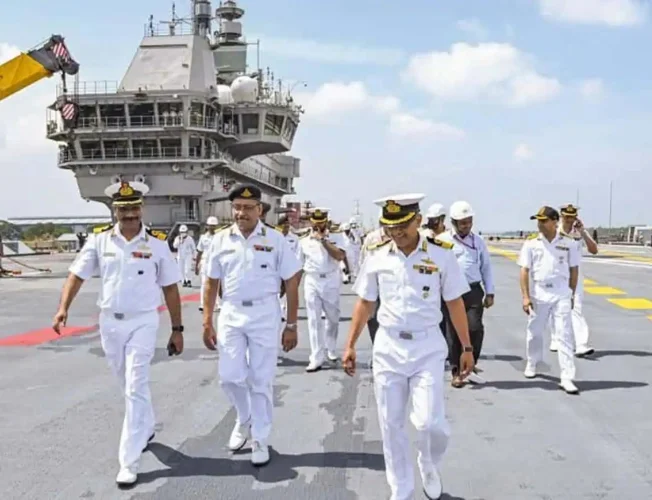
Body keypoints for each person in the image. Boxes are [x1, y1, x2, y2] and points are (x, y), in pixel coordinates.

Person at [52, 180, 184, 486]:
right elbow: (77, 275)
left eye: (134, 207)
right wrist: (63, 308)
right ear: (115, 210)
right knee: (127, 384)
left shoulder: (157, 243)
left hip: (143, 321)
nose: (129, 213)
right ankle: (146, 425)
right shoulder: (99, 241)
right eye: (123, 208)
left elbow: (170, 288)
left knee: (135, 384)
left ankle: (129, 460)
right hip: (110, 322)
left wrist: (177, 329)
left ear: (142, 209)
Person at [343, 193, 474, 500]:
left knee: (430, 423)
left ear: (417, 220)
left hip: (427, 345)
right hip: (388, 346)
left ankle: (428, 462)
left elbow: (454, 302)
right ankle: (400, 488)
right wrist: (349, 345)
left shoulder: (442, 254)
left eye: (402, 224)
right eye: (390, 226)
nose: (396, 232)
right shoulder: (376, 255)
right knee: (390, 424)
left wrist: (466, 348)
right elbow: (365, 302)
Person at [201, 183, 302, 466]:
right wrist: (207, 320)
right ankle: (244, 417)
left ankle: (260, 438)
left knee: (260, 380)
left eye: (247, 208)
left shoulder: (275, 240)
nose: (241, 213)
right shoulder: (219, 240)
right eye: (237, 207)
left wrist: (291, 324)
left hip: (265, 314)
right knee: (229, 377)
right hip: (231, 312)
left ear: (259, 209)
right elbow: (211, 283)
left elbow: (292, 283)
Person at [518, 206, 580, 395]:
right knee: (535, 331)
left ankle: (567, 377)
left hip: (561, 292)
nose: (540, 224)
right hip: (539, 292)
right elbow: (524, 271)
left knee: (564, 335)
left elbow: (574, 269)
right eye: (538, 220)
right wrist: (526, 296)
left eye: (543, 220)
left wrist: (571, 293)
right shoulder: (531, 243)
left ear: (555, 222)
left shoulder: (569, 243)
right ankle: (533, 361)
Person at [438, 200, 495, 388]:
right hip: (450, 292)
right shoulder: (443, 241)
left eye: (469, 221)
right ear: (453, 222)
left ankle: (470, 363)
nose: (466, 225)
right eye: (463, 222)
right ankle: (456, 371)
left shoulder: (477, 242)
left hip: (473, 290)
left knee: (475, 328)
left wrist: (490, 292)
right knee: (452, 332)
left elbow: (486, 267)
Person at [296, 207, 347, 372]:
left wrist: (324, 240)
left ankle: (330, 348)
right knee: (314, 320)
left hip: (331, 279)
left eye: (321, 222)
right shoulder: (303, 240)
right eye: (315, 222)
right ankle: (316, 356)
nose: (318, 225)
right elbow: (298, 266)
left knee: (333, 318)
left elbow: (340, 256)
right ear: (311, 221)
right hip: (312, 280)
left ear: (326, 221)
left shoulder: (337, 236)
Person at [548, 204, 598, 356]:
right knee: (555, 308)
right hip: (556, 275)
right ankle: (556, 338)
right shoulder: (553, 232)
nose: (570, 220)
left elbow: (594, 250)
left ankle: (581, 343)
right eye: (567, 217)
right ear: (561, 216)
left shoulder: (578, 233)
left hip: (575, 276)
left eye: (573, 217)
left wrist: (583, 232)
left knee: (576, 308)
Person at [195, 216, 222, 312]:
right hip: (205, 262)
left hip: (217, 262)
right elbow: (199, 252)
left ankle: (218, 304)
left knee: (217, 284)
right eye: (210, 226)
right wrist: (196, 266)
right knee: (203, 283)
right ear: (207, 226)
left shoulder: (220, 237)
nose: (212, 228)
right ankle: (202, 304)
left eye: (214, 226)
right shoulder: (203, 238)